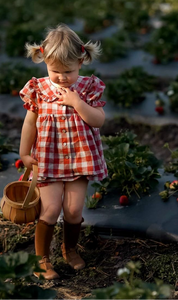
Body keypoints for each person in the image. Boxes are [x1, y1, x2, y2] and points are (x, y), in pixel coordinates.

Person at [19, 24, 107, 280]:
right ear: (44, 61)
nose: (61, 77)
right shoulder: (40, 89)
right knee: (50, 209)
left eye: (68, 71)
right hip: (48, 158)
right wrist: (25, 154)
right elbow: (29, 122)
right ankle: (41, 259)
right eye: (54, 70)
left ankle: (69, 249)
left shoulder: (88, 88)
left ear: (81, 61)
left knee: (74, 210)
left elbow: (98, 120)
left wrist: (77, 102)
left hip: (79, 159)